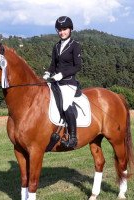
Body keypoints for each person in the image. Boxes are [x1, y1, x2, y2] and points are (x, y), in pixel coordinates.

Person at [43, 16, 82, 148]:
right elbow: (53, 64)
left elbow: (77, 66)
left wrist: (62, 74)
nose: (62, 32)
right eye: (59, 30)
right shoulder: (56, 46)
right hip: (56, 82)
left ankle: (73, 137)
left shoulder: (75, 45)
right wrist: (48, 73)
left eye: (64, 29)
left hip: (69, 82)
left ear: (70, 29)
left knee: (65, 105)